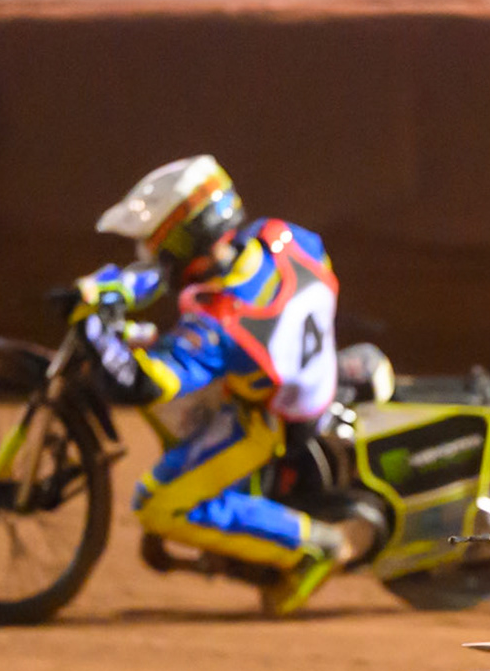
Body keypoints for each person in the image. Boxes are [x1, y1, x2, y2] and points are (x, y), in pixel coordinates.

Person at [77, 155, 343, 615]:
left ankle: (313, 546)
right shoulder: (285, 238)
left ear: (185, 243)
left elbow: (143, 384)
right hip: (311, 372)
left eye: (158, 248)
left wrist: (93, 331)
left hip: (268, 418)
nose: (151, 258)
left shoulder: (220, 321)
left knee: (156, 505)